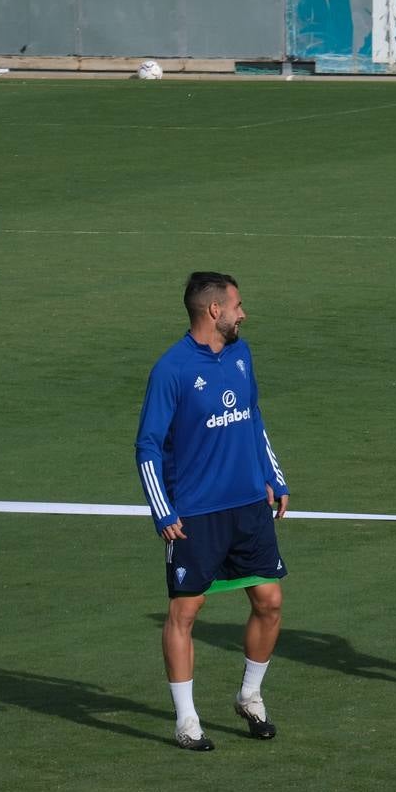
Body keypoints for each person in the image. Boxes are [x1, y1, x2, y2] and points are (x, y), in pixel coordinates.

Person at [135, 272, 290, 750]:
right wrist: (162, 512)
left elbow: (253, 417)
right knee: (186, 610)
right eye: (238, 305)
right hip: (196, 513)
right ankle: (186, 721)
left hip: (248, 504)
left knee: (270, 601)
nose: (244, 313)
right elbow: (147, 446)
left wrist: (274, 474)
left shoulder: (242, 355)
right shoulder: (172, 370)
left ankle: (249, 695)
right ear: (213, 311)